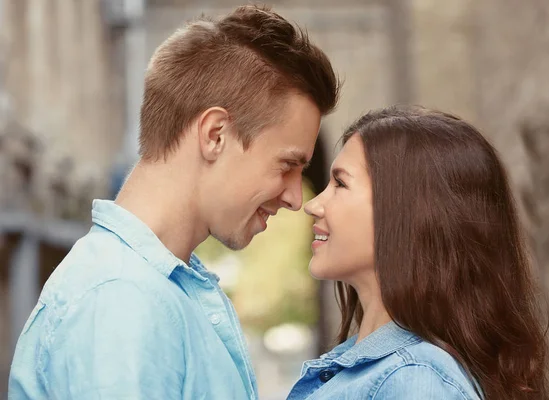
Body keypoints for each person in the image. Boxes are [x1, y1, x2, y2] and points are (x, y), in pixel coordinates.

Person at [9, 5, 340, 399]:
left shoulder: (163, 290)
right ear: (215, 135)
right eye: (287, 165)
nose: (293, 197)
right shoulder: (120, 300)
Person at [288, 106, 549, 400]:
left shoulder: (415, 380)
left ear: (408, 212)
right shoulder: (385, 371)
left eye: (340, 183)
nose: (313, 205)